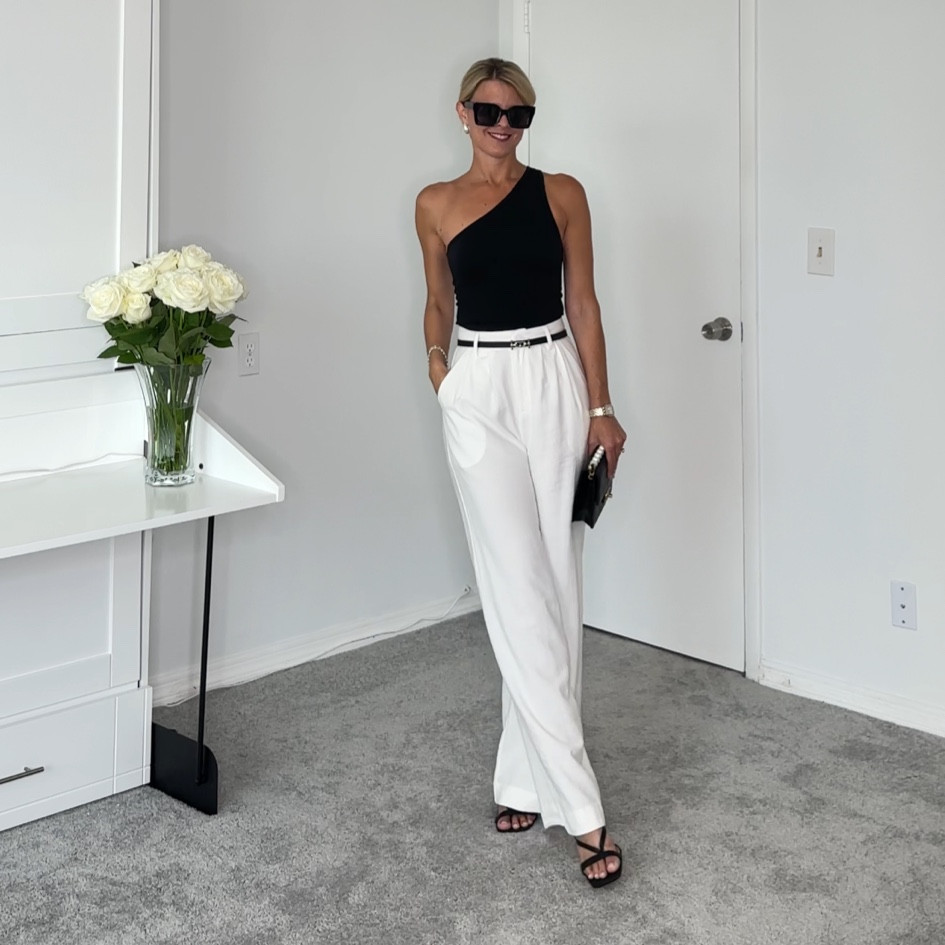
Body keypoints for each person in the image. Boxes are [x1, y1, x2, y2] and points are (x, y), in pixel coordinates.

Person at [415, 57, 627, 888]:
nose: (503, 126)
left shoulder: (562, 192)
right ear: (462, 112)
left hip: (552, 379)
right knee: (514, 584)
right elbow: (437, 298)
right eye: (489, 111)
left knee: (554, 583)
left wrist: (601, 406)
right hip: (477, 386)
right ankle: (583, 809)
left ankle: (521, 778)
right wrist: (439, 368)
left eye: (518, 115)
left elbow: (585, 304)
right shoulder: (434, 203)